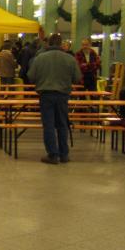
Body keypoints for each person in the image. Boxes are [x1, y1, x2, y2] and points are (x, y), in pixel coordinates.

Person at [27, 33, 82, 164]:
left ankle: (53, 154)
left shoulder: (40, 58)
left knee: (49, 125)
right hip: (63, 95)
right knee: (63, 124)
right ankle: (64, 154)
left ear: (49, 43)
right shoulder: (70, 59)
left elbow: (31, 76)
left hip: (46, 95)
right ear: (61, 44)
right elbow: (77, 78)